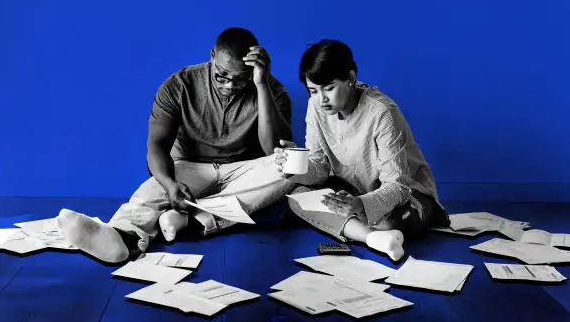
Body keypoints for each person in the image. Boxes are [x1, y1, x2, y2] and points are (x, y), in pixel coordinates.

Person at [58, 27, 295, 263]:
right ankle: (121, 237)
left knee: (287, 170)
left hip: (243, 172)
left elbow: (273, 150)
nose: (230, 85)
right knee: (151, 192)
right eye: (222, 75)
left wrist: (261, 85)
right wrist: (170, 184)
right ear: (212, 56)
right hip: (190, 166)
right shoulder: (179, 84)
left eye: (241, 79)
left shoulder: (274, 91)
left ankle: (189, 220)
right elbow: (156, 145)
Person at [274, 39, 450, 261]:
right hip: (355, 191)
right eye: (313, 91)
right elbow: (319, 168)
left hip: (408, 195)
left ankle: (375, 231)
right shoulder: (315, 107)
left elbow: (398, 185)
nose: (322, 99)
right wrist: (296, 168)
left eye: (329, 88)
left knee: (385, 221)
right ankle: (373, 238)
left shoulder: (382, 112)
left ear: (350, 79)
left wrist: (360, 205)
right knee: (297, 197)